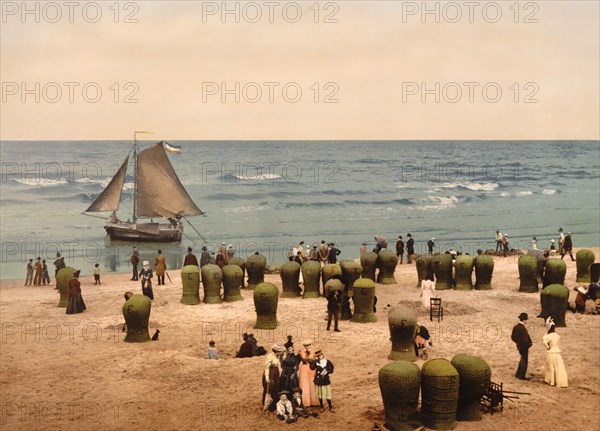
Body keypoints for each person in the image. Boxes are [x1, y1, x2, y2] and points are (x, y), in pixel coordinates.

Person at [542, 317, 568, 388]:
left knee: (551, 366)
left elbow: (544, 342)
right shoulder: (557, 336)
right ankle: (558, 381)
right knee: (558, 366)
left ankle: (551, 381)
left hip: (551, 352)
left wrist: (548, 347)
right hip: (557, 351)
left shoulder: (547, 336)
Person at [263, 344, 285, 412]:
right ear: (277, 351)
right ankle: (269, 404)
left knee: (277, 386)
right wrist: (267, 376)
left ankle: (275, 402)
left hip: (276, 371)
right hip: (270, 372)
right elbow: (267, 367)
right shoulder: (270, 356)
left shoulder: (277, 356)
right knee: (270, 387)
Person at [511, 312, 533, 380]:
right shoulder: (523, 328)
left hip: (519, 346)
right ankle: (521, 376)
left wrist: (517, 343)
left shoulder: (516, 327)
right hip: (524, 347)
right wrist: (529, 345)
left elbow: (513, 337)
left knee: (522, 359)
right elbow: (525, 340)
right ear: (524, 320)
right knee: (524, 361)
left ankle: (518, 374)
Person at [298, 340, 318, 407]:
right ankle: (306, 402)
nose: (307, 347)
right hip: (304, 369)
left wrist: (311, 360)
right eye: (305, 345)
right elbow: (300, 360)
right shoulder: (301, 352)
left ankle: (313, 401)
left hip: (311, 369)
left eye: (308, 345)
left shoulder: (313, 352)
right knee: (304, 384)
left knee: (312, 384)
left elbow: (315, 360)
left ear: (310, 345)